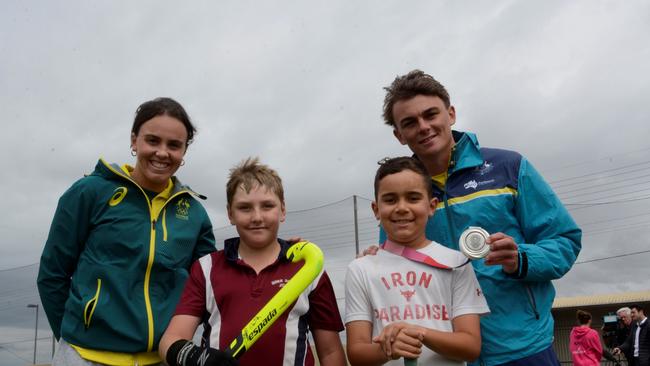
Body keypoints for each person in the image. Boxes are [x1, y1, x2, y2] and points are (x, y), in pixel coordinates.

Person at [375, 70, 582, 365]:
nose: (423, 127)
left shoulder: (509, 167)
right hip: (445, 356)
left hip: (522, 348)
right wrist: (374, 258)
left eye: (431, 114)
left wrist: (521, 258)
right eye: (409, 122)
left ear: (451, 114)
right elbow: (392, 271)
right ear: (399, 135)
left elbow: (566, 241)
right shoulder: (399, 192)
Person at [37, 97, 216, 365]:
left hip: (160, 360)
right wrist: (73, 335)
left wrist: (282, 253)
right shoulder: (90, 192)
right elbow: (52, 274)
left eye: (174, 145)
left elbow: (211, 283)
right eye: (152, 141)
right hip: (84, 357)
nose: (162, 153)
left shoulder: (193, 212)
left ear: (184, 151)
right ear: (134, 140)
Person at [159, 157, 346, 366]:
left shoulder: (308, 269)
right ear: (230, 213)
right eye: (245, 208)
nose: (257, 217)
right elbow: (170, 341)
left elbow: (330, 352)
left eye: (267, 206)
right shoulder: (206, 268)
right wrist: (197, 358)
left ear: (282, 210)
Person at [345, 157, 490, 365]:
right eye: (390, 199)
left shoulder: (456, 262)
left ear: (432, 206)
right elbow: (357, 353)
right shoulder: (360, 268)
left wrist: (419, 332)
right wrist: (388, 350)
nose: (401, 208)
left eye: (413, 198)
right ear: (376, 210)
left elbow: (470, 346)